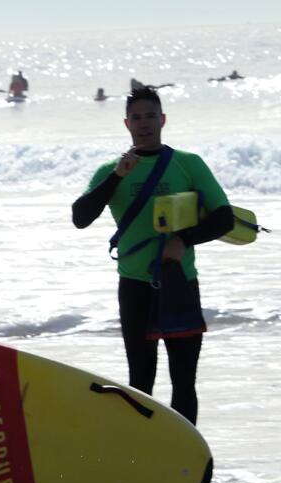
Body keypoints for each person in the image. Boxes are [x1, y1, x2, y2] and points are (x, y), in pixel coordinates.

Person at [71, 87, 233, 424]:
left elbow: (223, 218)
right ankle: (139, 460)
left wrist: (184, 240)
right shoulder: (111, 171)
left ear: (163, 119)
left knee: (184, 381)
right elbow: (80, 218)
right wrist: (117, 176)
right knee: (140, 381)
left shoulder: (187, 164)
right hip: (135, 287)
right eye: (136, 118)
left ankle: (183, 465)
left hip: (179, 283)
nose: (144, 124)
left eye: (150, 116)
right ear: (126, 124)